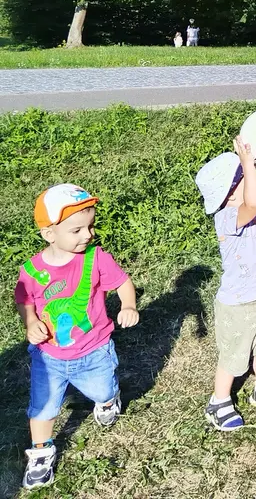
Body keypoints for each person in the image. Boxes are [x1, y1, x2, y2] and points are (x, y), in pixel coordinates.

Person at [15, 184, 139, 490]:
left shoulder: (96, 259)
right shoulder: (32, 270)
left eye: (90, 226)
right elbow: (25, 299)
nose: (88, 234)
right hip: (49, 357)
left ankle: (108, 400)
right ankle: (42, 452)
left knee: (102, 390)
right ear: (49, 234)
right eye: (77, 230)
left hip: (94, 350)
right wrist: (30, 322)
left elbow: (123, 283)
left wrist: (129, 304)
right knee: (42, 408)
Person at [195, 138, 256, 432]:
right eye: (241, 177)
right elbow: (254, 200)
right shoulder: (228, 216)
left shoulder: (251, 204)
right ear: (226, 192)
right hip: (236, 305)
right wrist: (248, 163)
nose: (249, 180)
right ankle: (219, 401)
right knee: (233, 357)